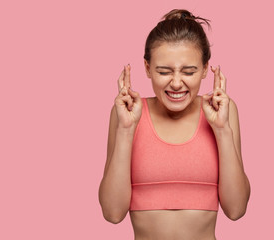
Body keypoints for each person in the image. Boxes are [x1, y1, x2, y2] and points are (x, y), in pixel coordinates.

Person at [98, 9, 250, 240]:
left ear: (205, 69)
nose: (176, 83)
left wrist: (222, 130)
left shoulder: (222, 112)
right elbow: (112, 213)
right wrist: (126, 130)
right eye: (164, 71)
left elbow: (237, 209)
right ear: (148, 68)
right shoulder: (127, 114)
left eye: (189, 71)